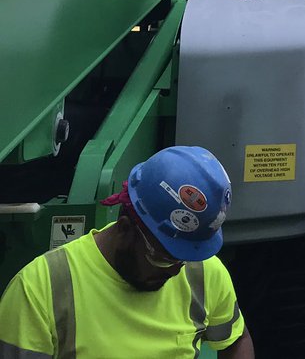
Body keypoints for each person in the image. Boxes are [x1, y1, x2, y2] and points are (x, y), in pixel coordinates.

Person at [0, 146, 252, 358]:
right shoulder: (39, 288)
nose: (177, 270)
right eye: (162, 258)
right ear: (125, 228)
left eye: (185, 258)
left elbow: (236, 340)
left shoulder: (203, 272)